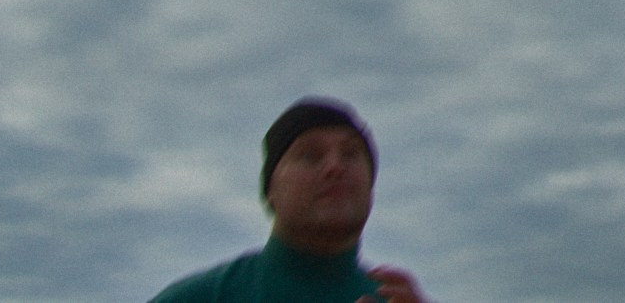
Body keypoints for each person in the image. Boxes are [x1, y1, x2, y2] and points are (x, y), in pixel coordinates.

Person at [149, 99, 429, 303]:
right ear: (271, 191)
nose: (335, 166)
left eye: (351, 154)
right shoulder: (202, 298)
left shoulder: (395, 299)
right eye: (310, 155)